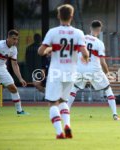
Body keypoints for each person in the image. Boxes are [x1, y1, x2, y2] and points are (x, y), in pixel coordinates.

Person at [38, 4, 89, 139]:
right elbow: (85, 53)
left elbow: (40, 51)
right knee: (63, 100)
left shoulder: (53, 32)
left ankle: (60, 132)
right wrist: (85, 58)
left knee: (53, 102)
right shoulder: (78, 33)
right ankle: (67, 125)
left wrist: (50, 49)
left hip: (56, 71)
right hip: (71, 72)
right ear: (71, 16)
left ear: (58, 16)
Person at [67, 20, 120, 121]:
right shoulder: (99, 43)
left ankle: (65, 113)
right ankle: (115, 115)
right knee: (108, 89)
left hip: (80, 69)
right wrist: (108, 73)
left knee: (74, 89)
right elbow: (102, 62)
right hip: (94, 70)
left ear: (90, 28)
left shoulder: (81, 39)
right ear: (99, 30)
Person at [0, 29, 28, 114]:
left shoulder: (14, 50)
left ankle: (19, 110)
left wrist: (20, 78)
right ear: (8, 38)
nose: (15, 41)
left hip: (2, 67)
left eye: (17, 39)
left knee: (13, 88)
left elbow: (15, 64)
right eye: (14, 39)